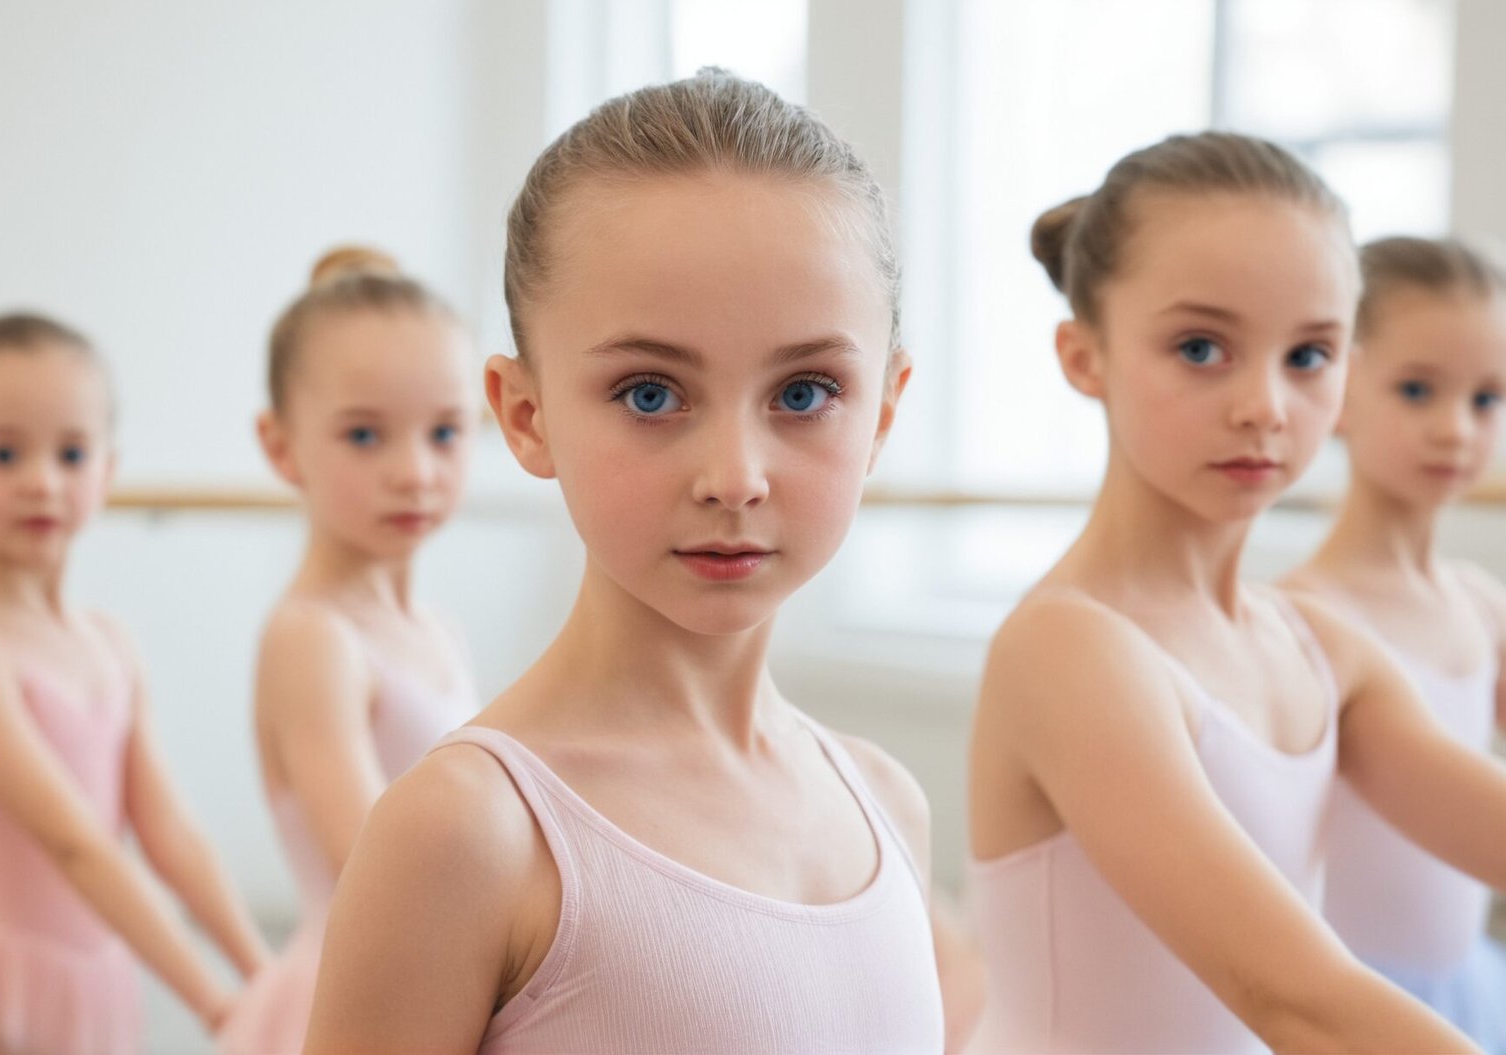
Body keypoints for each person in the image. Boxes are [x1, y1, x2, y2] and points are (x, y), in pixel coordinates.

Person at [305, 69, 944, 1054]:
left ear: (884, 414)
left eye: (806, 391)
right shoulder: (466, 833)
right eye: (651, 393)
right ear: (526, 414)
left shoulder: (888, 806)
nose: (734, 477)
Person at [967, 132, 1506, 1053]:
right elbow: (1299, 1000)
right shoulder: (1069, 648)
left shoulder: (1316, 646)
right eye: (1202, 346)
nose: (1264, 404)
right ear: (1083, 355)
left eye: (1308, 356)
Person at [0, 313, 268, 1054]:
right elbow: (77, 842)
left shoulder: (109, 642)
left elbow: (169, 832)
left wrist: (265, 976)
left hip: (96, 985)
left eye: (71, 453)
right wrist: (213, 1000)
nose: (42, 480)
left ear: (106, 471)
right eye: (5, 452)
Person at [218, 248, 482, 1054]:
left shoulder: (435, 628)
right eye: (365, 435)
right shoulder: (312, 639)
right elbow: (377, 870)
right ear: (281, 445)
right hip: (355, 1001)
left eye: (444, 432)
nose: (414, 472)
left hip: (436, 982)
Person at [1284, 235, 1506, 1053]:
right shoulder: (1302, 618)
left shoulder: (1482, 607)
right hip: (1350, 1000)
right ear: (1339, 384)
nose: (1457, 428)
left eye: (1488, 399)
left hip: (1471, 988)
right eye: (1418, 390)